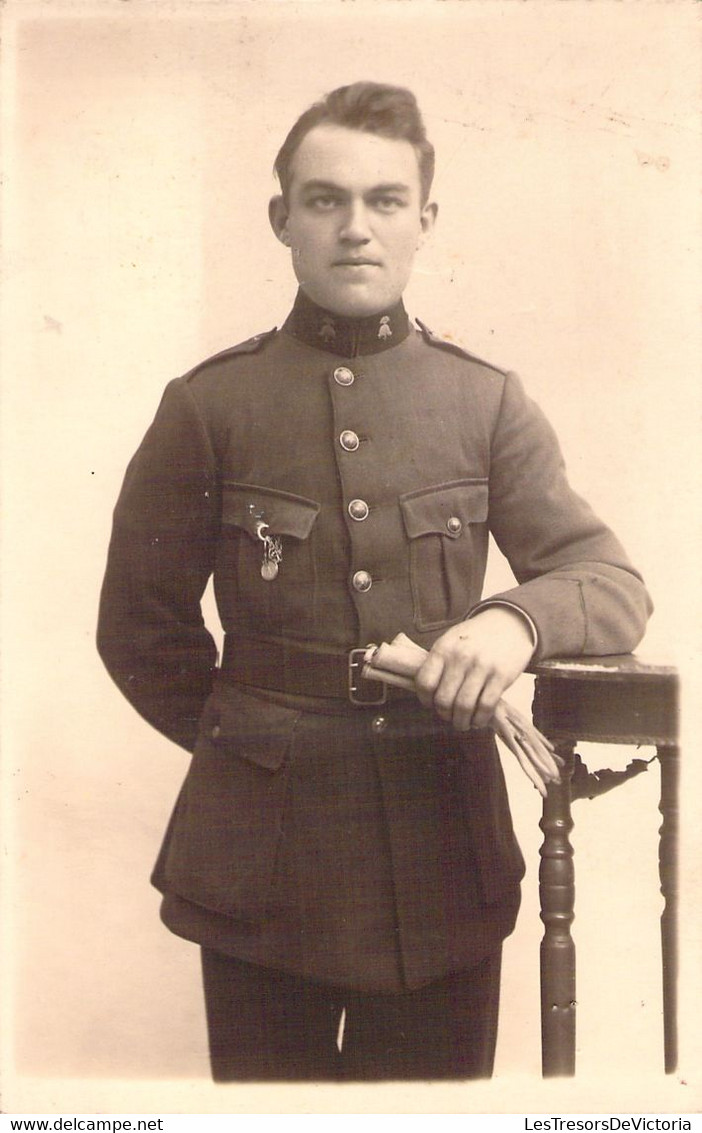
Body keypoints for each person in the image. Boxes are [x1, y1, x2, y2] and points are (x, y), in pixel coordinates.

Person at [97, 82, 652, 1081]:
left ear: (425, 221)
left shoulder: (484, 403)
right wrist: (255, 747)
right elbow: (138, 629)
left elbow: (608, 579)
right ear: (283, 220)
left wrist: (512, 624)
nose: (357, 227)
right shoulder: (209, 406)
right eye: (326, 200)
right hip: (262, 869)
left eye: (386, 200)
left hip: (441, 857)